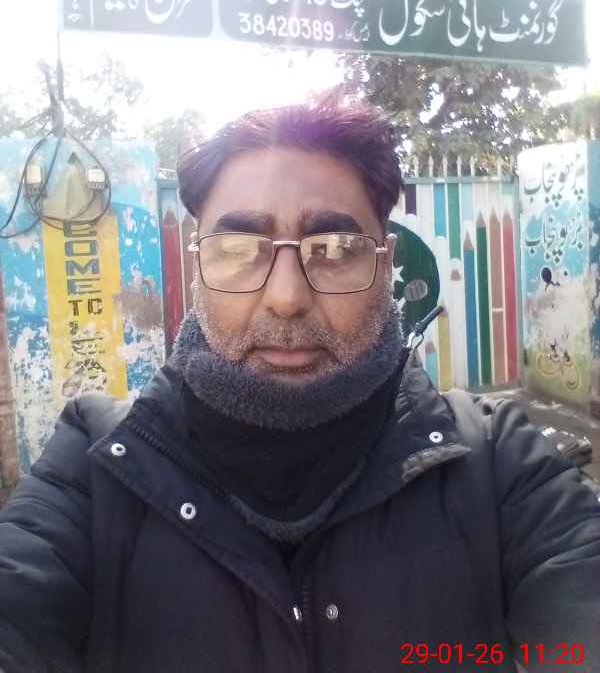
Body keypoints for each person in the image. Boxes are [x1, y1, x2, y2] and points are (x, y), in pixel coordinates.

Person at [0, 93, 599, 673]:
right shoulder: (96, 465)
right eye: (240, 248)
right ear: (199, 265)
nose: (286, 297)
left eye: (334, 248)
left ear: (384, 264)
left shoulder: (496, 463)